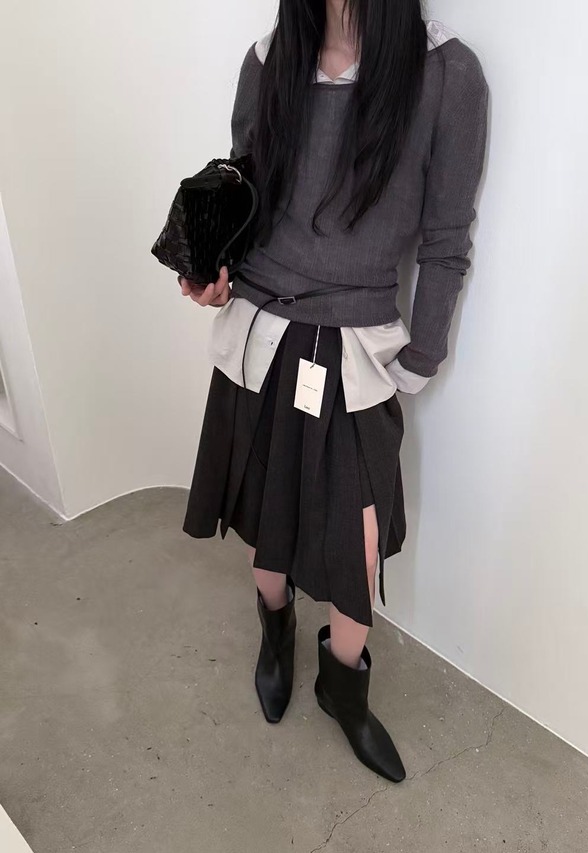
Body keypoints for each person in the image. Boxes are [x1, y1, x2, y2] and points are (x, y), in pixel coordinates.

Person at [179, 2, 489, 783]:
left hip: (356, 348)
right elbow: (244, 195)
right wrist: (213, 273)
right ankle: (275, 632)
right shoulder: (270, 59)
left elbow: (446, 240)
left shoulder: (447, 75)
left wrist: (421, 356)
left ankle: (343, 689)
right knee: (264, 513)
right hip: (260, 331)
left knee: (358, 543)